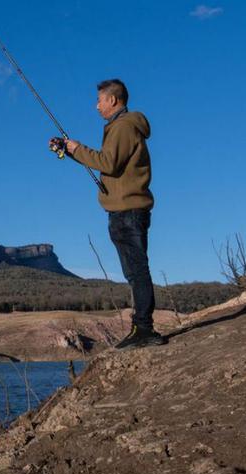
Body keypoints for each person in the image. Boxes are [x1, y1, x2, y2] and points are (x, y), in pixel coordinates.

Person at [59, 78, 166, 349]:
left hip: (127, 212)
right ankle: (142, 328)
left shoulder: (123, 126)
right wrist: (71, 152)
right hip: (127, 210)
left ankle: (144, 330)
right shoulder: (125, 127)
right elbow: (109, 163)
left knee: (137, 271)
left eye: (99, 100)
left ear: (113, 100)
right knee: (135, 271)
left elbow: (108, 163)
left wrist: (76, 149)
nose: (96, 107)